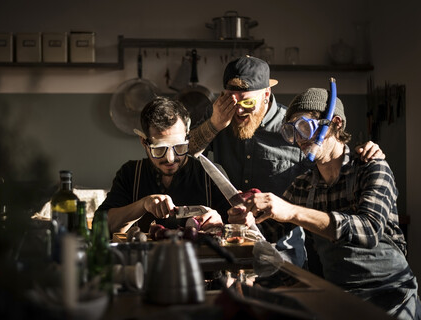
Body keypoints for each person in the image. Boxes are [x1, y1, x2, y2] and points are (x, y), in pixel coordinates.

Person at [231, 87, 420, 319]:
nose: (299, 140)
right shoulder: (304, 185)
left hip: (391, 299)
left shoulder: (371, 168)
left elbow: (368, 230)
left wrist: (291, 211)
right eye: (291, 132)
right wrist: (245, 219)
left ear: (336, 123)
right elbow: (266, 231)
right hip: (338, 298)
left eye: (304, 127)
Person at [188, 55, 384, 267]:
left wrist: (366, 154)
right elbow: (182, 157)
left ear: (266, 94)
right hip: (232, 241)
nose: (239, 110)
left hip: (284, 249)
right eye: (231, 101)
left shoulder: (293, 128)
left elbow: (328, 157)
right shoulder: (218, 116)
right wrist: (214, 125)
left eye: (247, 102)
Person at [97, 97, 230, 234]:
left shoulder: (211, 174)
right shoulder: (131, 174)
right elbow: (101, 227)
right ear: (144, 142)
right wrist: (142, 205)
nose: (171, 159)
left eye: (179, 147)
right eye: (160, 149)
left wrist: (221, 223)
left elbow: (241, 228)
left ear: (188, 138)